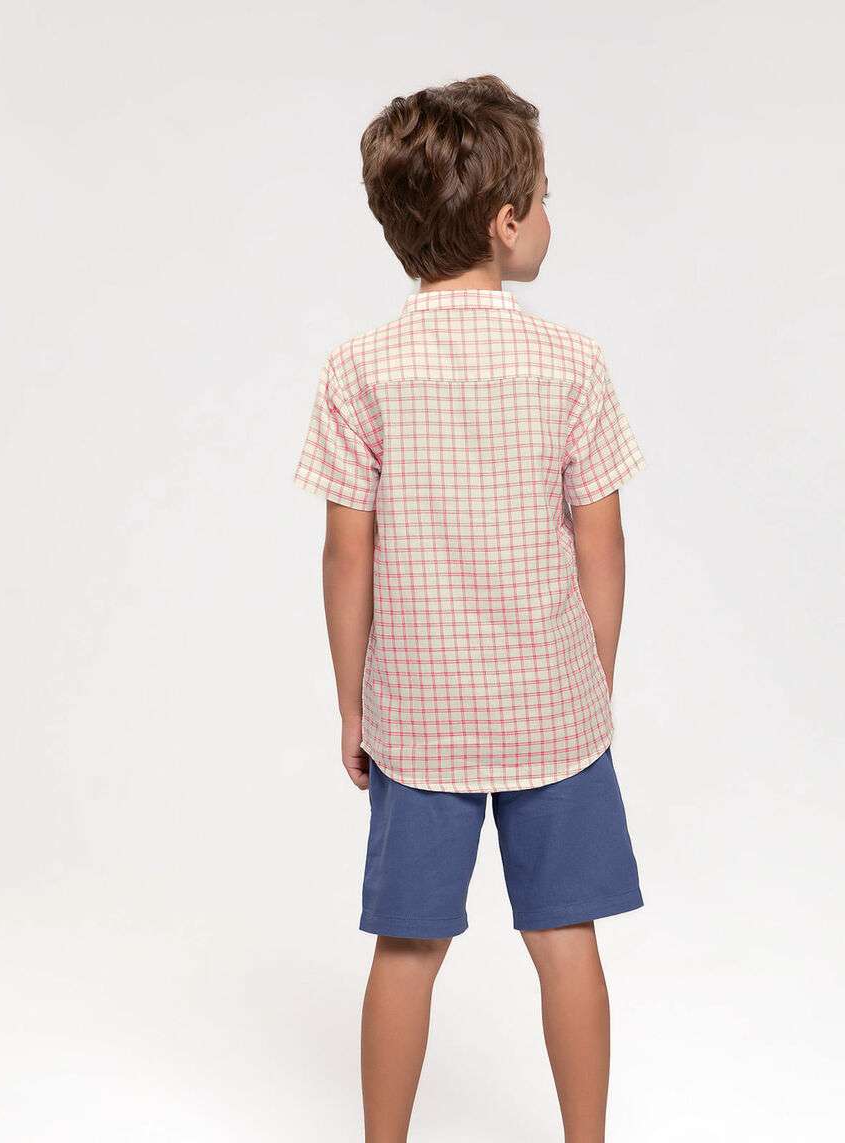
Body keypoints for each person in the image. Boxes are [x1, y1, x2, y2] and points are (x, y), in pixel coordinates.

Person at [293, 74, 647, 1143]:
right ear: (504, 221)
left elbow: (346, 552)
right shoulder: (570, 362)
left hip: (419, 711)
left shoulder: (359, 369)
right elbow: (601, 541)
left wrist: (352, 704)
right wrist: (593, 681)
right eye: (542, 200)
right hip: (553, 709)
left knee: (407, 946)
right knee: (565, 935)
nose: (548, 218)